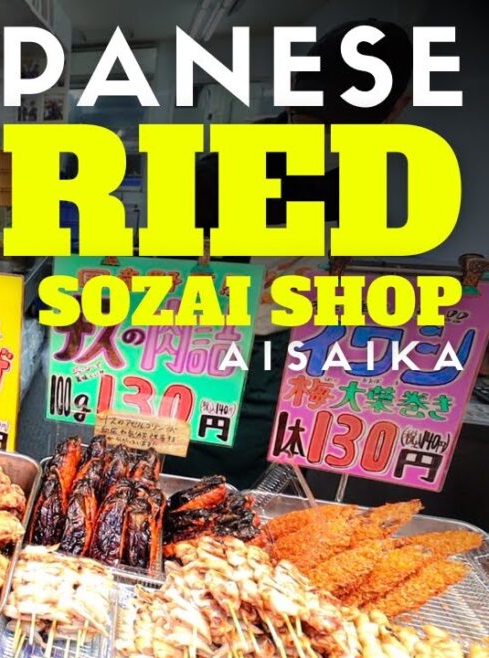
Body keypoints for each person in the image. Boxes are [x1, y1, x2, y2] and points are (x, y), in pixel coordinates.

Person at [164, 19, 414, 488]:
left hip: (311, 350)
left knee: (265, 481)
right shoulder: (226, 165)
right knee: (206, 480)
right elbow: (165, 277)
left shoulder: (370, 174)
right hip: (224, 350)